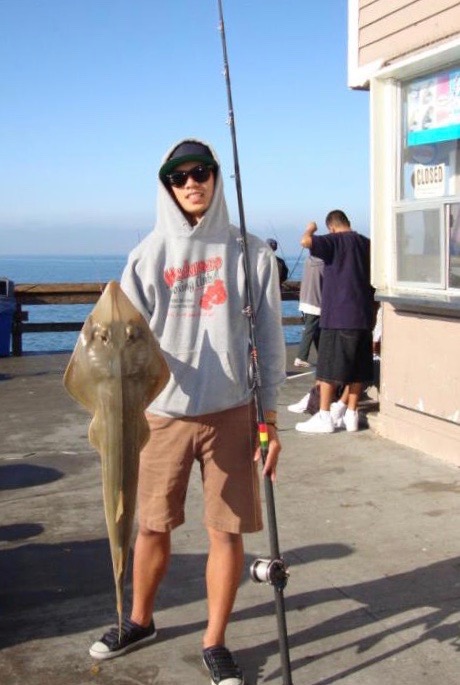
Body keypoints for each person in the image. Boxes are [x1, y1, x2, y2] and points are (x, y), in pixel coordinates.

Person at [88, 139, 286, 685]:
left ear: (217, 179)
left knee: (227, 531)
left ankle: (215, 640)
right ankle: (139, 620)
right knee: (150, 525)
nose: (191, 183)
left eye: (201, 172)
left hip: (233, 412)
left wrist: (270, 420)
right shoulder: (146, 256)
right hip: (162, 414)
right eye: (179, 176)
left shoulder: (252, 254)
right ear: (167, 186)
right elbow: (117, 343)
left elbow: (270, 340)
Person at [294, 210, 374, 434]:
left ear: (331, 227)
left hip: (338, 316)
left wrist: (310, 227)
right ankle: (351, 415)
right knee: (357, 369)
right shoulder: (365, 243)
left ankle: (325, 417)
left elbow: (305, 241)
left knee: (328, 370)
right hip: (363, 316)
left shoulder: (335, 241)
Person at [293, 224, 324, 370]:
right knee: (311, 330)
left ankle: (322, 356)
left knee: (315, 330)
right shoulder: (323, 263)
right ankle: (301, 357)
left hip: (305, 301)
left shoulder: (308, 261)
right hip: (316, 302)